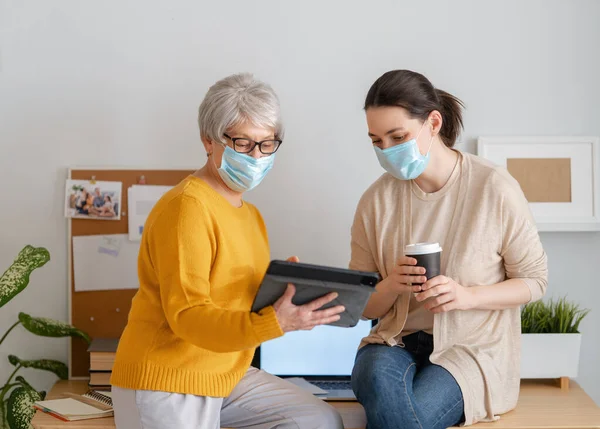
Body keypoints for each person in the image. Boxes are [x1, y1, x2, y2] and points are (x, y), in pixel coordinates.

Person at [110, 73, 345, 429]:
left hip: (227, 375)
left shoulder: (251, 216)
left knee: (317, 420)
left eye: (267, 144)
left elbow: (235, 303)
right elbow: (188, 315)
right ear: (209, 140)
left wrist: (285, 295)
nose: (257, 156)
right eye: (243, 142)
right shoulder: (187, 207)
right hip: (167, 378)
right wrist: (274, 322)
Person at [349, 70, 548, 428]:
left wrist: (467, 296)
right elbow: (362, 307)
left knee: (412, 417)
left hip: (470, 352)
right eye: (376, 141)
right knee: (377, 378)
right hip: (394, 343)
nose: (387, 151)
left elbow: (534, 281)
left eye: (398, 137)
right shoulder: (374, 202)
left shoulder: (493, 188)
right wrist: (393, 284)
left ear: (433, 123)